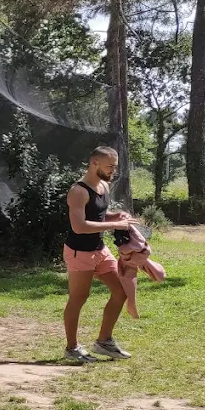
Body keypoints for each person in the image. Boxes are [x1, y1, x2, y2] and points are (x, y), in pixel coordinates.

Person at [64, 147, 134, 363]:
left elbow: (98, 215)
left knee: (121, 291)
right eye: (110, 166)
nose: (114, 170)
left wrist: (116, 216)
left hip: (100, 250)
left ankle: (104, 341)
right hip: (79, 252)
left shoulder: (104, 185)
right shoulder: (78, 191)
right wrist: (115, 225)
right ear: (94, 163)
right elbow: (79, 226)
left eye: (115, 166)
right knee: (79, 298)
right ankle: (72, 348)